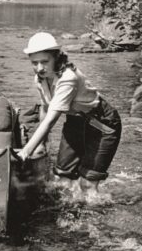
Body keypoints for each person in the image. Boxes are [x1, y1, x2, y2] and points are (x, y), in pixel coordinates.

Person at [17, 32, 121, 196]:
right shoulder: (40, 79)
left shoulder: (68, 78)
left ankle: (93, 215)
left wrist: (26, 151)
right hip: (76, 121)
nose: (39, 68)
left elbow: (52, 119)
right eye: (34, 63)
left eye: (44, 62)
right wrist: (41, 143)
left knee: (87, 184)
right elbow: (45, 108)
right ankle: (68, 210)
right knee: (62, 179)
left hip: (102, 124)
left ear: (56, 58)